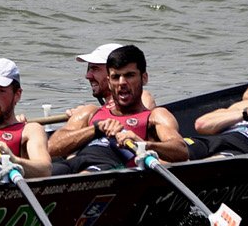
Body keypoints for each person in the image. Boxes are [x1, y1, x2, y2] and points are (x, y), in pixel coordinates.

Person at [47, 45, 189, 172]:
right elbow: (51, 147)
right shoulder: (90, 112)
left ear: (144, 78)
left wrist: (143, 145)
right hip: (74, 164)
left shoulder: (155, 116)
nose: (122, 83)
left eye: (129, 75)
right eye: (116, 77)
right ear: (109, 82)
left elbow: (181, 151)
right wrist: (95, 129)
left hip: (108, 168)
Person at [48, 41, 156, 159]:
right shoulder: (91, 111)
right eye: (89, 69)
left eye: (95, 69)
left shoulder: (144, 96)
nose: (88, 76)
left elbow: (141, 117)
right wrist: (83, 118)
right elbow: (51, 147)